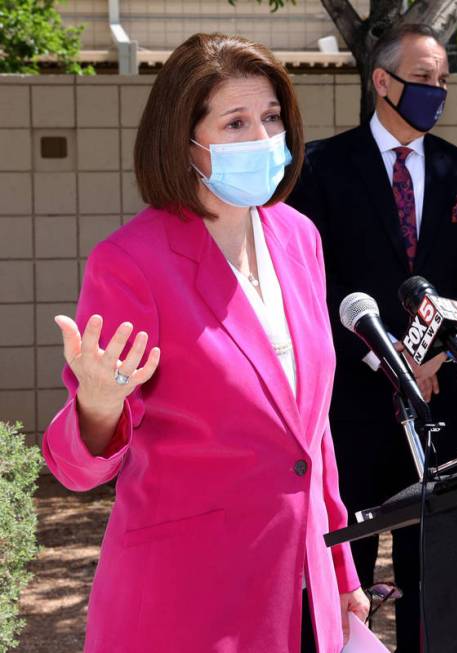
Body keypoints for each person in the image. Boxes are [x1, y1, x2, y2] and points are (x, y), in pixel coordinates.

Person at [41, 33, 369, 653]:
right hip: (185, 598)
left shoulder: (299, 237)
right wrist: (99, 404)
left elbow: (311, 432)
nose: (263, 138)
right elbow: (75, 469)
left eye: (272, 118)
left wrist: (340, 566)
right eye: (236, 122)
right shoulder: (130, 263)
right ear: (185, 141)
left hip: (302, 587)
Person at [287, 23, 457, 653]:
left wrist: (436, 352)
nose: (435, 91)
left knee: (432, 573)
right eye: (422, 79)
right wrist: (381, 354)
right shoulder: (319, 170)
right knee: (339, 571)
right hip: (351, 408)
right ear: (381, 82)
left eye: (442, 80)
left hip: (441, 404)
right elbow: (307, 281)